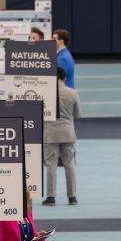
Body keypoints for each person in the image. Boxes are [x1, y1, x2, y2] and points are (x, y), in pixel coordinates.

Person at [42, 66, 81, 206]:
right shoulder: (73, 93)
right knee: (69, 164)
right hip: (68, 133)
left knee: (51, 165)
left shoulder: (45, 93)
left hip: (51, 133)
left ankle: (51, 197)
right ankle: (72, 197)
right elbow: (77, 115)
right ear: (65, 78)